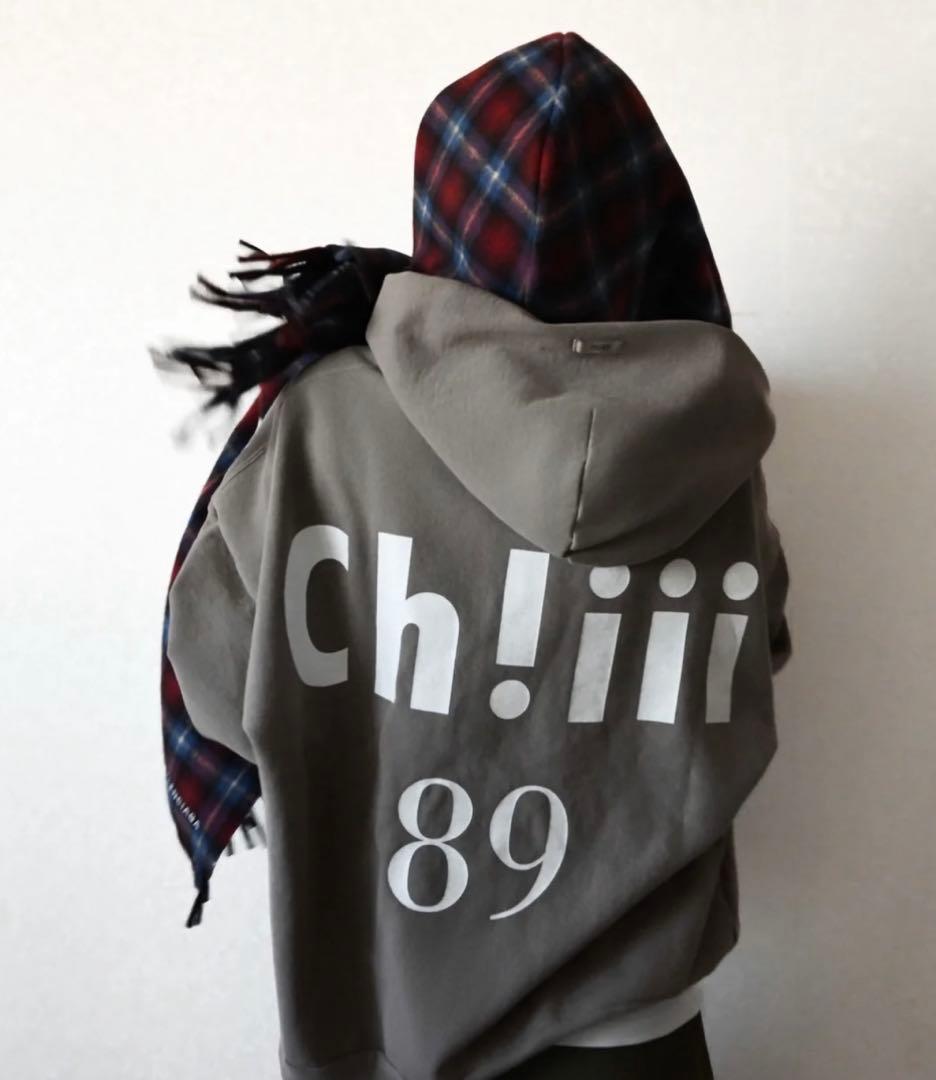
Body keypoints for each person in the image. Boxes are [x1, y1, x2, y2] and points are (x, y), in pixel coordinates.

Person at [157, 29, 792, 1080]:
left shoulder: (325, 421)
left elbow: (224, 689)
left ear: (443, 206)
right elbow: (753, 657)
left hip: (392, 1008)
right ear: (650, 217)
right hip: (645, 1031)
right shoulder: (716, 436)